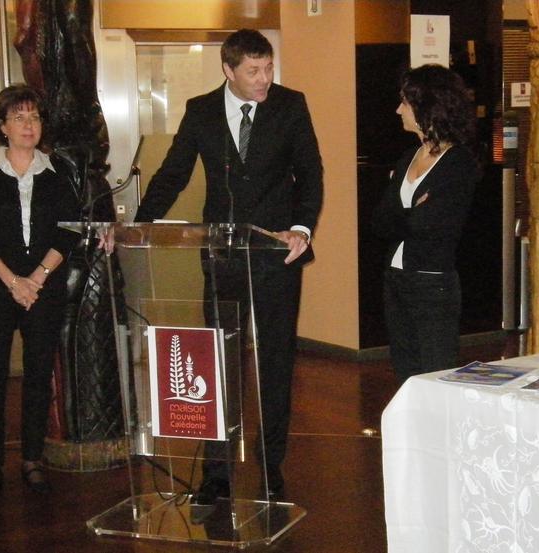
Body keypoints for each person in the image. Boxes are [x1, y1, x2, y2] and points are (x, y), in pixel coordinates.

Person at [134, 29, 323, 504]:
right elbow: (174, 172)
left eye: (268, 68)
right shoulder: (200, 110)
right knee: (218, 363)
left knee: (275, 362)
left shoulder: (290, 105)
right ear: (228, 70)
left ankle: (271, 465)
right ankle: (216, 471)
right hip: (223, 256)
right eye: (253, 71)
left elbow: (310, 173)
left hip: (276, 254)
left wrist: (301, 228)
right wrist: (140, 224)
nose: (264, 79)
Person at [0, 84, 80, 500]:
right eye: (19, 117)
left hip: (44, 288)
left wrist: (37, 278)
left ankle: (33, 460)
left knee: (38, 376)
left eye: (34, 117)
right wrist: (14, 281)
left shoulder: (57, 171)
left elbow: (68, 230)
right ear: (2, 126)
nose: (29, 125)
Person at [372, 65, 480, 385]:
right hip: (396, 278)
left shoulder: (458, 163)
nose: (398, 110)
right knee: (406, 375)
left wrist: (402, 214)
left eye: (405, 102)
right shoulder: (408, 157)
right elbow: (379, 223)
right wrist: (411, 211)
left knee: (435, 375)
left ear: (426, 106)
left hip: (433, 284)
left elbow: (431, 225)